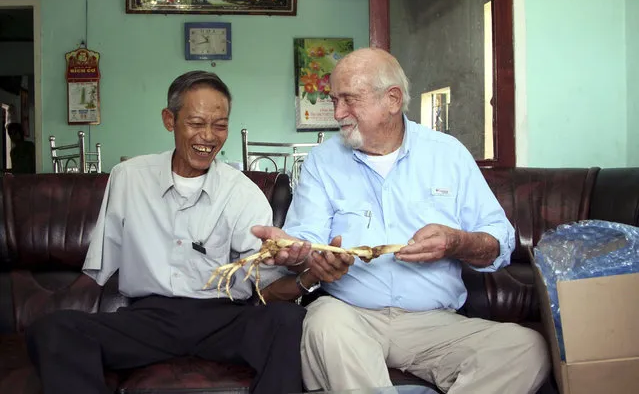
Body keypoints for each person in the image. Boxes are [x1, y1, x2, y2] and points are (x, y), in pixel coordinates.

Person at [25, 71, 348, 394]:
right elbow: (97, 270)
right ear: (170, 120)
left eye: (220, 125)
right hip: (148, 318)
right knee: (53, 329)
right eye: (196, 123)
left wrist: (304, 271)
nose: (208, 136)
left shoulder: (243, 193)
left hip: (223, 318)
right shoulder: (129, 178)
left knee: (287, 321)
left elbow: (267, 290)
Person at [253, 48, 551, 394]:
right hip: (351, 317)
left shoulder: (447, 154)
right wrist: (296, 253)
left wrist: (458, 242)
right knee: (324, 324)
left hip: (436, 325)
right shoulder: (322, 162)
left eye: (349, 100)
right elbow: (306, 238)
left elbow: (499, 240)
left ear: (392, 99)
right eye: (334, 100)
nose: (337, 113)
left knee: (527, 349)